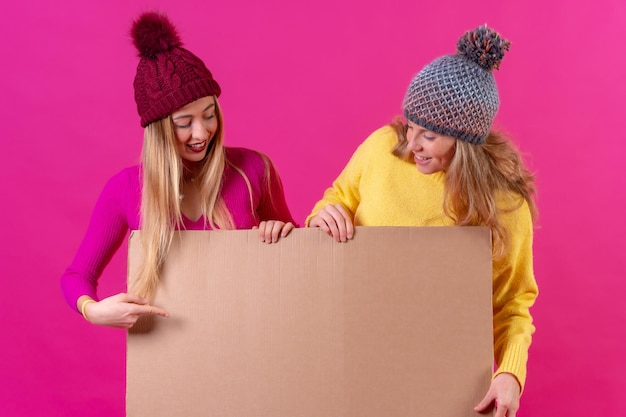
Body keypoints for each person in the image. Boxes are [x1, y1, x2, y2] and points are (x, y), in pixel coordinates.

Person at [306, 25, 538, 417]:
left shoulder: (504, 204)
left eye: (428, 135)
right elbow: (338, 198)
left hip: (439, 372)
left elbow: (513, 302)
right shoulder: (382, 148)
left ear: (463, 140)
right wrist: (322, 215)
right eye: (410, 125)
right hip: (353, 352)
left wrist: (510, 375)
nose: (411, 144)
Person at [61, 11, 296, 329]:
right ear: (157, 131)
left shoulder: (254, 170)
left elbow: (298, 266)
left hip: (249, 337)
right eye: (184, 123)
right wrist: (94, 310)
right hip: (168, 354)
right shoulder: (125, 188)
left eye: (209, 115)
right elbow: (77, 276)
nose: (201, 133)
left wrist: (284, 236)